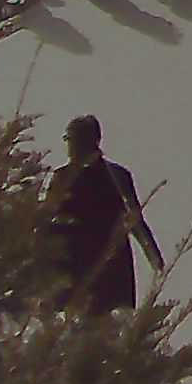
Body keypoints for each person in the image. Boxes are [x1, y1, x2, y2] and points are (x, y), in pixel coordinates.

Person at [45, 114, 166, 312]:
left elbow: (134, 219)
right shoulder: (62, 177)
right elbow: (49, 226)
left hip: (110, 273)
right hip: (76, 273)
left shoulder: (117, 176)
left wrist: (155, 260)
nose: (68, 146)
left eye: (71, 139)